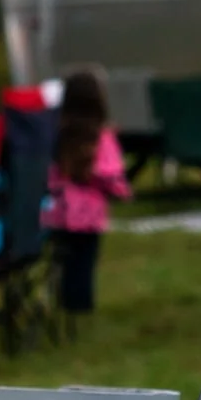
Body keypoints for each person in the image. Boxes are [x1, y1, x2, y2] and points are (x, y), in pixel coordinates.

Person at [46, 66, 130, 318]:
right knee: (83, 262)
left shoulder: (56, 134)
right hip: (88, 215)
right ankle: (81, 308)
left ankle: (64, 303)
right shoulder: (100, 137)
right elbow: (110, 172)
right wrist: (121, 191)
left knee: (64, 262)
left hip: (57, 214)